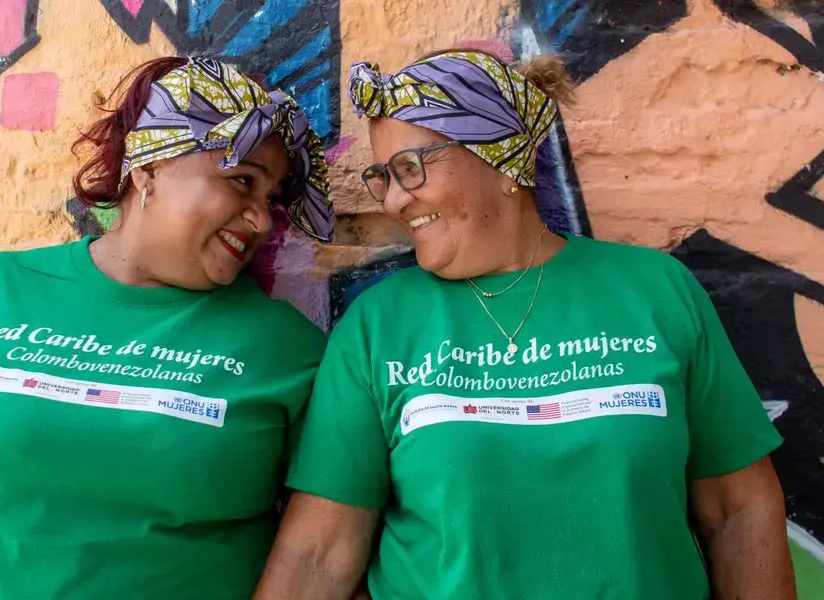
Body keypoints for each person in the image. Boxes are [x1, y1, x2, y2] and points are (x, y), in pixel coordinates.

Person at [254, 49, 795, 599]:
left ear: (502, 159)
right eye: (382, 177)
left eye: (410, 169)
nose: (393, 201)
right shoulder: (378, 324)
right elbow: (317, 557)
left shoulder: (656, 291)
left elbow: (740, 511)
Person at [0, 56, 335, 599]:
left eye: (271, 199)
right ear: (150, 166)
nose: (261, 219)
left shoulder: (290, 351)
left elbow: (324, 553)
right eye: (241, 182)